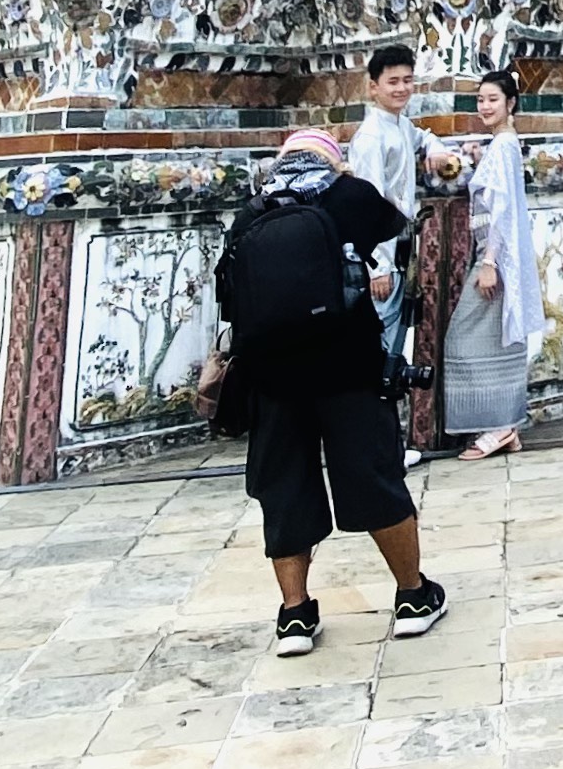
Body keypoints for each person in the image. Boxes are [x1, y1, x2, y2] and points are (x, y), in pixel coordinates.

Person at [221, 129, 450, 656]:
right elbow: (395, 227)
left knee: (284, 489)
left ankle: (295, 616)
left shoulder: (251, 213)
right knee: (374, 475)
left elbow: (232, 299)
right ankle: (413, 597)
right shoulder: (348, 194)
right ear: (331, 158)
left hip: (271, 379)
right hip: (348, 366)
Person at [347, 44, 457, 466]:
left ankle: (386, 445)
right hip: (382, 254)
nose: (402, 88)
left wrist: (435, 150)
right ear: (373, 87)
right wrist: (377, 264)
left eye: (408, 80)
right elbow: (367, 205)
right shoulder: (372, 137)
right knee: (380, 353)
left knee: (393, 350)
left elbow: (422, 137)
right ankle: (377, 449)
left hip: (401, 245)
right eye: (393, 82)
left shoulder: (399, 125)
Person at [444, 69, 534, 460]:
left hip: (496, 258)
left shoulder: (503, 147)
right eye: (480, 100)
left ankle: (500, 425)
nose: (485, 106)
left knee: (463, 337)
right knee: (497, 337)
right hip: (498, 256)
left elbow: (499, 210)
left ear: (510, 103)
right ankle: (502, 425)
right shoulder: (502, 145)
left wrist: (489, 262)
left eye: (493, 99)